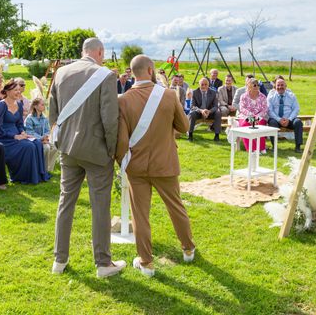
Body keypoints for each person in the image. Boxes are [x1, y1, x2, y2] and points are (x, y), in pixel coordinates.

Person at [49, 37, 125, 278]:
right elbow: (110, 119)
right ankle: (103, 263)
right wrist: (112, 149)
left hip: (68, 149)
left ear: (83, 52)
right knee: (100, 206)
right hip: (96, 149)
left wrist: (60, 140)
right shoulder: (105, 75)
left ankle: (59, 260)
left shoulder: (61, 72)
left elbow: (53, 112)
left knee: (65, 203)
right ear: (100, 52)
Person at [115, 55, 195, 277]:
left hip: (136, 167)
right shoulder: (169, 95)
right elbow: (185, 126)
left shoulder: (123, 100)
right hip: (165, 163)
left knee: (140, 215)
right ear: (150, 70)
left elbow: (121, 140)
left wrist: (122, 162)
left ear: (132, 73)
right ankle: (188, 249)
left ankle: (146, 262)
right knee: (176, 206)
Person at [0, 80, 50, 185]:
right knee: (29, 147)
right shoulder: (1, 105)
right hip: (4, 138)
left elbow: (19, 123)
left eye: (19, 90)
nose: (19, 92)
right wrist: (14, 136)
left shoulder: (19, 104)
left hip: (18, 134)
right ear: (7, 91)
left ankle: (37, 174)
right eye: (15, 90)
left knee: (37, 143)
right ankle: (21, 176)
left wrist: (22, 132)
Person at [266, 78, 303, 153]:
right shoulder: (271, 97)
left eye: (282, 85)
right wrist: (279, 119)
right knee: (272, 123)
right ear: (275, 87)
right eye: (278, 85)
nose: (280, 87)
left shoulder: (292, 96)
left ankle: (298, 147)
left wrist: (289, 119)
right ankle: (274, 146)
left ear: (285, 86)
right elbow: (270, 111)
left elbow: (296, 109)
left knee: (298, 122)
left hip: (289, 119)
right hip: (276, 120)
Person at [25, 97, 58, 172]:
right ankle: (43, 170)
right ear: (35, 106)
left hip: (44, 140)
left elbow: (47, 130)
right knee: (46, 148)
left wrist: (45, 137)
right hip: (33, 140)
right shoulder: (30, 118)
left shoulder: (44, 118)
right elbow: (29, 132)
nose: (44, 106)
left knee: (55, 148)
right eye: (42, 105)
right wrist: (41, 138)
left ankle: (49, 169)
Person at [237, 78, 269, 153]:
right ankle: (253, 149)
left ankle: (262, 148)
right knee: (245, 125)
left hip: (259, 117)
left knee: (260, 125)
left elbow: (265, 109)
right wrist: (251, 116)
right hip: (246, 116)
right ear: (249, 86)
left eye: (257, 85)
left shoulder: (263, 96)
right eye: (254, 85)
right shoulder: (243, 96)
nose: (256, 87)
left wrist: (257, 117)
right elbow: (242, 108)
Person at [187, 78, 222, 142]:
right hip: (199, 112)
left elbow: (215, 106)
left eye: (206, 84)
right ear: (199, 84)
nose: (204, 86)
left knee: (218, 113)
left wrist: (209, 111)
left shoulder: (213, 93)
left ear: (208, 85)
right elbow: (192, 106)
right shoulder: (195, 92)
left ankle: (217, 135)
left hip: (209, 112)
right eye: (202, 84)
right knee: (192, 114)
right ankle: (190, 134)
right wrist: (201, 111)